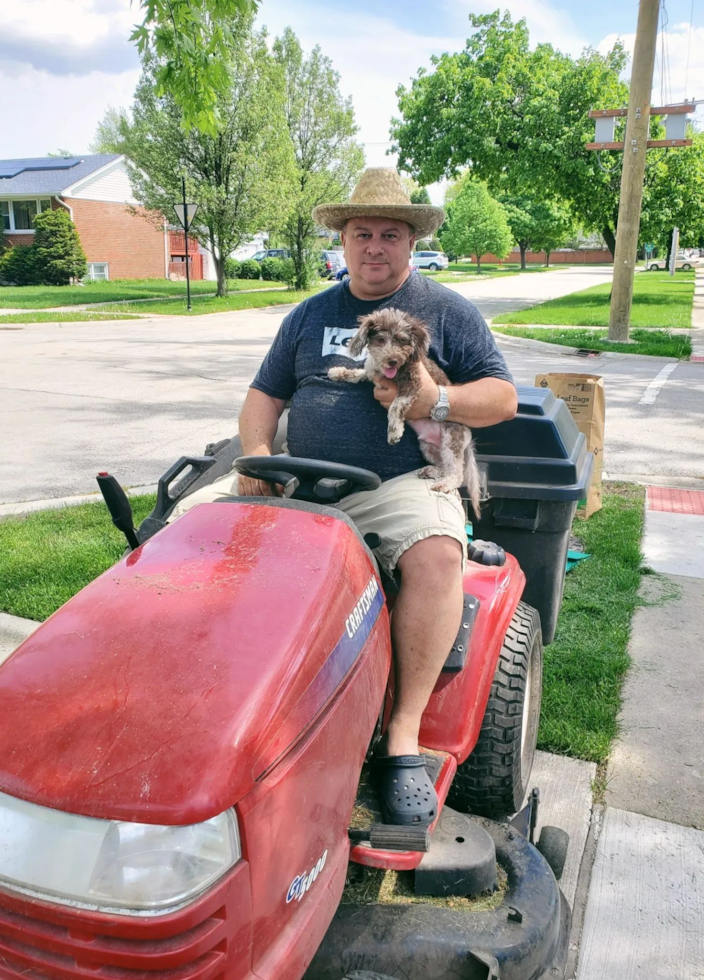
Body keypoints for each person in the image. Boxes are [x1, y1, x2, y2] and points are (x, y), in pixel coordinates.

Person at [170, 168, 517, 826]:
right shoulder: (309, 314)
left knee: (438, 556)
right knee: (181, 532)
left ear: (411, 242)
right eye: (362, 233)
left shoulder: (448, 311)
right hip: (294, 477)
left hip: (398, 484)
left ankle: (403, 736)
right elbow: (264, 394)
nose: (374, 246)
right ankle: (184, 688)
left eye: (390, 234)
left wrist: (437, 400)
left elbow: (502, 398)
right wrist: (257, 453)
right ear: (344, 240)